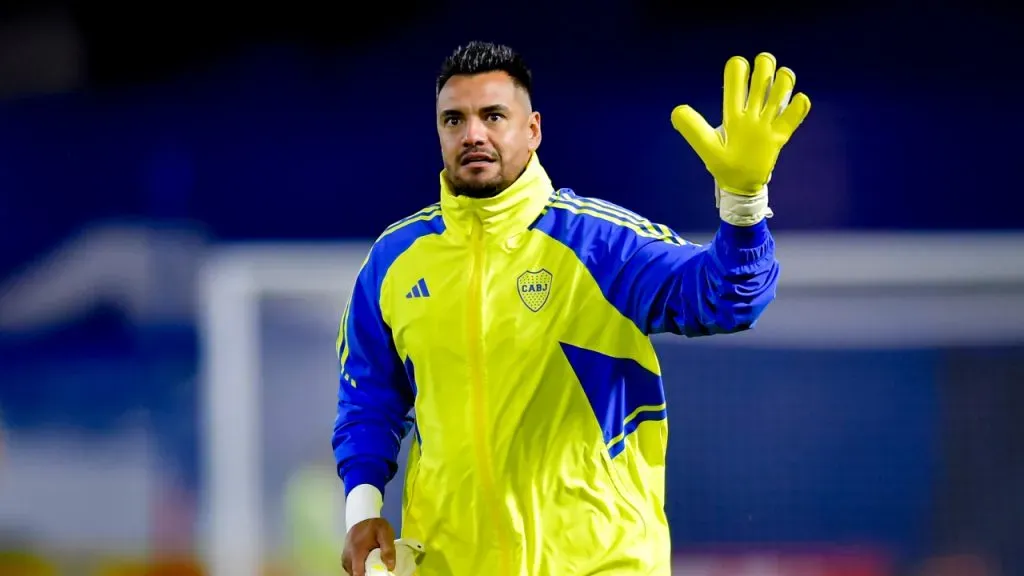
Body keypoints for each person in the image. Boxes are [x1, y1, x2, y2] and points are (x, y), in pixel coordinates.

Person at [333, 41, 810, 575]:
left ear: (532, 129)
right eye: (454, 120)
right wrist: (363, 508)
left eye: (494, 116)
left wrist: (744, 204)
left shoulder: (600, 245)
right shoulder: (394, 262)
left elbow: (726, 300)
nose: (473, 134)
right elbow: (368, 398)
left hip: (600, 564)